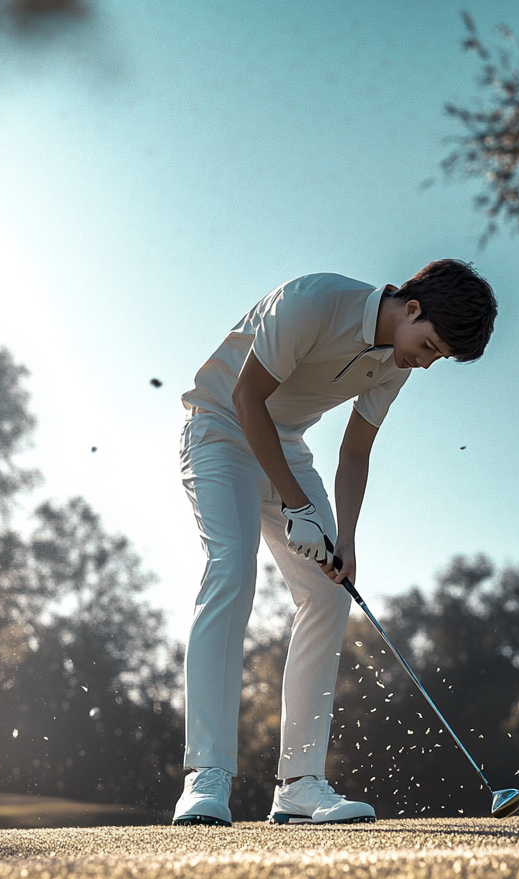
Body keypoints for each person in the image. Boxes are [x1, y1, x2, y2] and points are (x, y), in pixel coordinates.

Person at [173, 259, 497, 826]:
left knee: (329, 595)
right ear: (412, 308)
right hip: (220, 429)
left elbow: (355, 452)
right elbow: (249, 398)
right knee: (232, 568)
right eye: (428, 346)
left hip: (286, 448)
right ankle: (207, 775)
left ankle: (299, 785)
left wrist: (346, 539)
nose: (423, 362)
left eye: (436, 358)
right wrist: (297, 505)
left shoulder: (397, 364)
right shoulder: (312, 301)